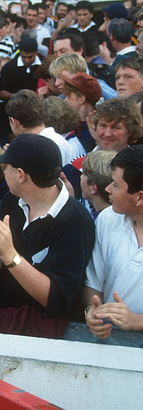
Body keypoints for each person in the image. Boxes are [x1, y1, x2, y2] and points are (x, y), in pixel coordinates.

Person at [0, 134, 95, 338]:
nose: (2, 171)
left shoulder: (75, 221)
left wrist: (11, 257)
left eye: (5, 166)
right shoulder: (12, 200)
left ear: (21, 175)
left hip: (37, 344)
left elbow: (56, 298)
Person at [83, 146, 143, 342]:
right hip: (108, 346)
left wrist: (136, 321)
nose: (107, 189)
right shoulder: (107, 219)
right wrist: (91, 311)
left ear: (139, 197)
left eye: (116, 185)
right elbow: (93, 283)